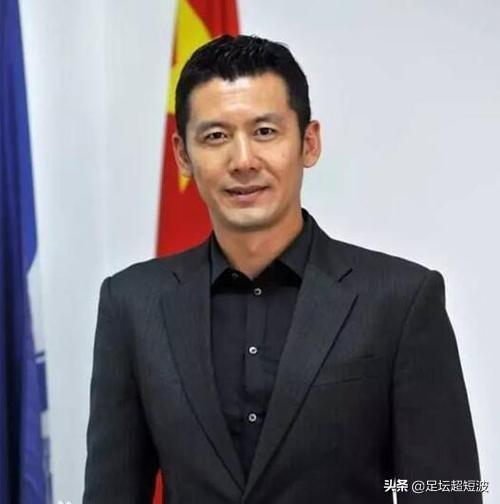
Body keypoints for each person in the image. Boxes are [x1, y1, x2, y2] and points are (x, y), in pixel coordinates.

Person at [83, 35, 481, 503]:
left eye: (265, 132)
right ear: (183, 155)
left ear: (308, 143)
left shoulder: (400, 300)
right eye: (216, 136)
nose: (243, 161)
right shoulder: (132, 304)